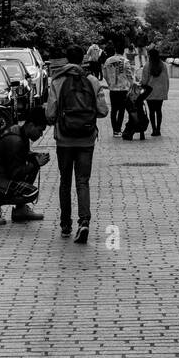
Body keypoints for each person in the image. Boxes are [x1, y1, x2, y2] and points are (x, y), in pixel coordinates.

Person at [46, 43, 109, 243]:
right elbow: (103, 111)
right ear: (83, 58)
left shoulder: (57, 81)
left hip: (64, 139)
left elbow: (50, 114)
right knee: (83, 181)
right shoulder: (92, 81)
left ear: (66, 59)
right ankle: (84, 222)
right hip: (86, 138)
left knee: (65, 181)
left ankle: (66, 225)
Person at [0, 108, 50, 226]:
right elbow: (16, 173)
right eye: (40, 130)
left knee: (33, 165)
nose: (41, 135)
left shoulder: (19, 132)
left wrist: (35, 157)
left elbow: (21, 156)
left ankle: (20, 209)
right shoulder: (15, 141)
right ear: (31, 125)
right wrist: (36, 163)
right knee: (31, 193)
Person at [102, 39, 134, 136]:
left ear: (115, 50)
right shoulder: (125, 61)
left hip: (113, 89)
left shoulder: (108, 60)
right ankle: (118, 129)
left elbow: (104, 74)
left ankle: (114, 130)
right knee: (121, 110)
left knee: (114, 109)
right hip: (123, 89)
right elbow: (129, 75)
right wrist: (131, 85)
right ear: (123, 51)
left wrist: (110, 83)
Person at [141, 46, 170, 137]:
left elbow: (144, 80)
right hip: (160, 92)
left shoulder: (147, 65)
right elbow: (166, 79)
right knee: (159, 110)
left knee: (151, 111)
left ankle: (153, 129)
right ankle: (158, 129)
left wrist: (142, 86)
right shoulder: (163, 65)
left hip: (150, 91)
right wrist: (166, 91)